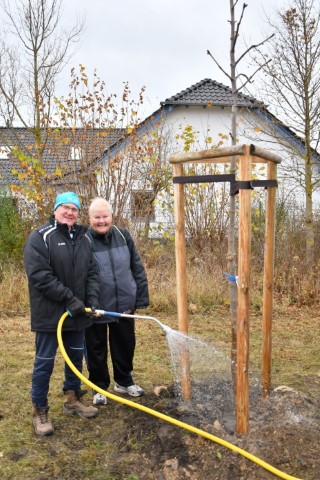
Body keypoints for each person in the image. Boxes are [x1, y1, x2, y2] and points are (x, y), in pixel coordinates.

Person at [24, 191, 100, 436]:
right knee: (44, 363)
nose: (70, 212)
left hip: (77, 314)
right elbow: (40, 277)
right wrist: (70, 299)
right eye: (65, 207)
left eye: (75, 209)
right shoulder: (40, 237)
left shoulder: (85, 238)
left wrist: (92, 300)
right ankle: (39, 409)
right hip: (49, 315)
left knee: (75, 359)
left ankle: (72, 397)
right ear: (55, 210)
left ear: (79, 214)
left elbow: (92, 273)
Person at [85, 197, 149, 405]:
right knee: (96, 347)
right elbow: (81, 275)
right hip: (97, 306)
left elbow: (136, 267)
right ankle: (98, 387)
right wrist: (87, 302)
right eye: (97, 217)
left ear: (112, 217)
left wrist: (140, 297)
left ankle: (123, 381)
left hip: (124, 303)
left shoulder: (123, 235)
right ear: (90, 218)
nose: (101, 221)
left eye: (105, 216)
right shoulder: (84, 240)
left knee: (125, 343)